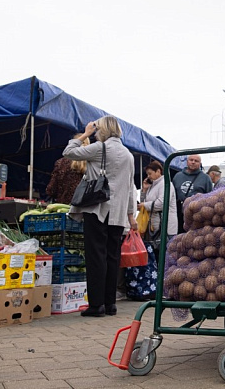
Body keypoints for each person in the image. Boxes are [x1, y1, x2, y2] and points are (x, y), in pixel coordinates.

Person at [63, 116, 136, 317]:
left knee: (96, 256)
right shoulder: (129, 155)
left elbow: (68, 152)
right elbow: (131, 188)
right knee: (113, 257)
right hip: (118, 213)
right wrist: (131, 215)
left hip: (98, 208)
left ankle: (96, 305)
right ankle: (110, 303)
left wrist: (84, 134)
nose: (95, 133)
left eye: (96, 130)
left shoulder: (99, 148)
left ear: (103, 130)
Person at [171, 154, 212, 233]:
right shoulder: (177, 176)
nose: (193, 162)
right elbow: (173, 196)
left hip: (197, 215)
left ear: (200, 164)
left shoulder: (206, 178)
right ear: (187, 162)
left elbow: (210, 197)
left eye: (196, 161)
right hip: (179, 214)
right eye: (191, 160)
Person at [139, 160, 178, 241]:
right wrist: (144, 190)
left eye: (150, 173)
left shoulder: (166, 184)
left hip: (166, 227)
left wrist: (144, 205)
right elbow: (144, 201)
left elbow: (162, 204)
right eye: (147, 174)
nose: (148, 176)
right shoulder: (152, 186)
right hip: (155, 226)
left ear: (158, 171)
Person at [46, 135, 89, 204]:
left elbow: (51, 190)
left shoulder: (60, 162)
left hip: (63, 206)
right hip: (84, 207)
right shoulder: (91, 163)